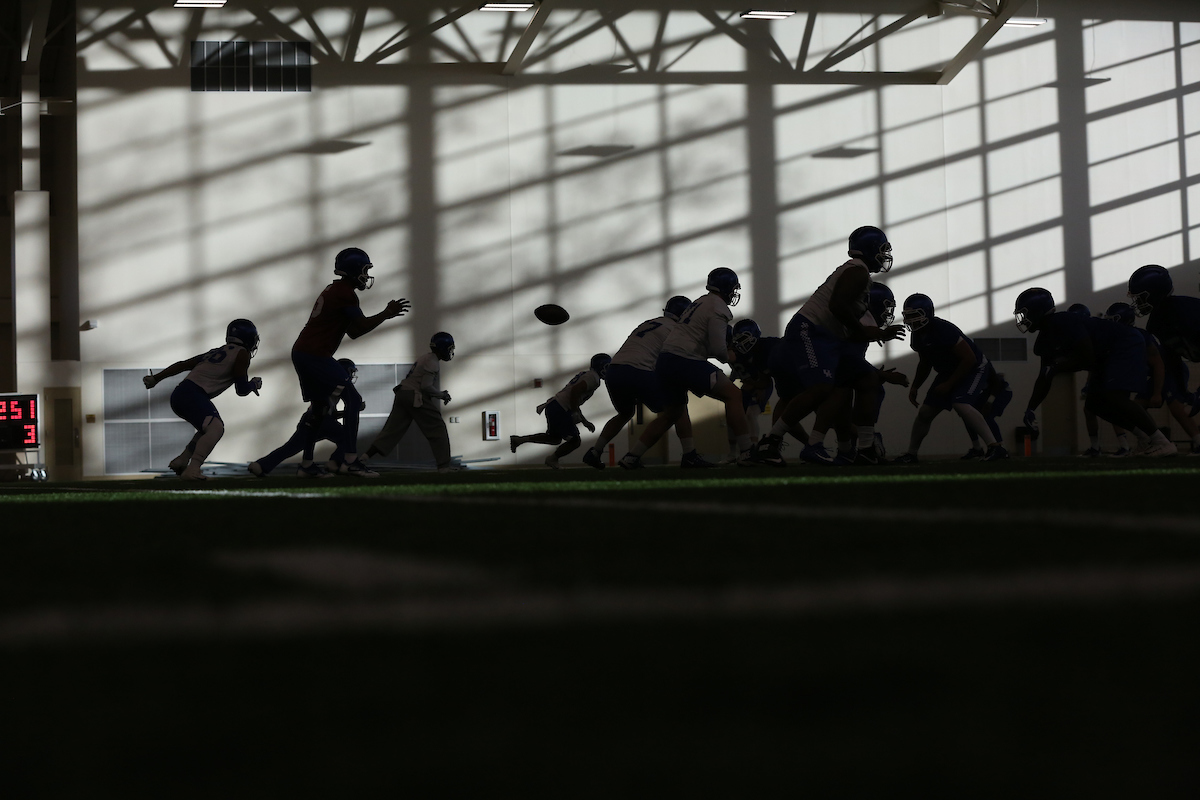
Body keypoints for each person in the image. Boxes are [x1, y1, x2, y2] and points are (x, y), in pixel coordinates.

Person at [753, 226, 906, 466]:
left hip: (827, 337)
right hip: (812, 330)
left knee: (867, 380)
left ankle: (864, 448)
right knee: (822, 388)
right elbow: (838, 307)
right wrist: (866, 332)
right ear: (870, 249)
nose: (885, 255)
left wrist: (876, 333)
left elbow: (846, 321)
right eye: (882, 249)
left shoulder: (858, 272)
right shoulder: (858, 272)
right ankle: (771, 443)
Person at [287, 247, 410, 478]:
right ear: (354, 270)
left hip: (304, 351)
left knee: (320, 409)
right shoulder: (345, 292)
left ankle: (306, 465)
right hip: (316, 354)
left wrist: (384, 315)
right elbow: (361, 327)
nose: (366, 275)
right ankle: (351, 461)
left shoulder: (336, 289)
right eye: (364, 270)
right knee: (353, 399)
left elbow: (353, 332)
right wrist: (386, 313)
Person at [1015, 287, 1177, 457]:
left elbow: (1087, 358)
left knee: (1114, 396)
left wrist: (1058, 366)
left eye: (1024, 314)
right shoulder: (1044, 340)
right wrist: (1031, 408)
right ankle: (1144, 437)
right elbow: (1044, 377)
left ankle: (1162, 441)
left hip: (1123, 343)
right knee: (1094, 404)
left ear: (1038, 311)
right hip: (1106, 354)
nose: (1023, 319)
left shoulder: (1064, 322)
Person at [620, 267, 750, 468]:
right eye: (732, 288)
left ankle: (632, 457)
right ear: (726, 287)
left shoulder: (699, 302)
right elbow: (718, 349)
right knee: (733, 395)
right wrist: (729, 356)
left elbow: (696, 343)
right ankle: (747, 451)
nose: (734, 293)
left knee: (672, 413)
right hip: (684, 360)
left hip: (666, 361)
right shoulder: (718, 308)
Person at [581, 297, 714, 469]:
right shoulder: (676, 330)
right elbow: (684, 357)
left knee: (625, 413)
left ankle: (595, 451)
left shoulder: (649, 323)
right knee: (677, 407)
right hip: (638, 370)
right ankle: (686, 454)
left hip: (614, 370)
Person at [891, 294, 1007, 464]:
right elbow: (925, 362)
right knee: (925, 413)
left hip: (973, 367)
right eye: (908, 316)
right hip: (949, 371)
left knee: (961, 403)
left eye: (915, 315)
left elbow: (969, 359)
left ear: (927, 314)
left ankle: (996, 447)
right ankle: (911, 454)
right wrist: (915, 386)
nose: (911, 321)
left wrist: (950, 384)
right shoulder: (917, 335)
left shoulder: (943, 329)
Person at [143, 319, 262, 480]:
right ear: (249, 337)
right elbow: (241, 390)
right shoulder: (242, 353)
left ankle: (182, 460)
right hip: (193, 393)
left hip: (180, 393)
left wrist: (156, 378)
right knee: (216, 428)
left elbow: (183, 364)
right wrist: (253, 384)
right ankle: (193, 469)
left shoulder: (216, 351)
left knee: (207, 428)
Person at [804, 281, 909, 466]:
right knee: (862, 386)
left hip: (826, 362)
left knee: (844, 401)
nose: (888, 313)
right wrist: (882, 375)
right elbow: (849, 353)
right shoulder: (864, 317)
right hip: (827, 363)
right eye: (886, 306)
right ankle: (865, 443)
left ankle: (846, 450)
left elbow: (850, 358)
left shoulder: (858, 316)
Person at [362, 332, 461, 472]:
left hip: (402, 393)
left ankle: (364, 457)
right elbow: (425, 387)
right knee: (437, 427)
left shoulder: (426, 357)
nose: (451, 351)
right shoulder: (433, 362)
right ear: (443, 347)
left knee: (391, 430)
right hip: (413, 395)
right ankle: (444, 466)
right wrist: (441, 395)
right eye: (449, 348)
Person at [1128, 264, 1200, 454]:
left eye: (1140, 297)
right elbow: (1171, 358)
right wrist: (1183, 391)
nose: (1137, 302)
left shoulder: (1187, 311)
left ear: (1154, 293)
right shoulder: (1156, 322)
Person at [249, 358, 360, 478]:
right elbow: (333, 407)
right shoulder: (337, 383)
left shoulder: (327, 381)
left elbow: (331, 413)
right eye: (350, 372)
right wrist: (353, 407)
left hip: (312, 418)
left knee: (291, 448)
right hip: (322, 419)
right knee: (347, 437)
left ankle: (260, 465)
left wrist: (346, 412)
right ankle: (334, 463)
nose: (351, 375)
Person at [511, 353, 611, 468]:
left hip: (555, 405)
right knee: (575, 441)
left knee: (554, 439)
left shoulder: (589, 375)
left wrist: (584, 421)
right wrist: (574, 412)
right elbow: (575, 391)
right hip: (561, 407)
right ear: (602, 366)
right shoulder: (594, 378)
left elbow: (575, 395)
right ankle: (552, 459)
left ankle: (519, 440)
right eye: (608, 367)